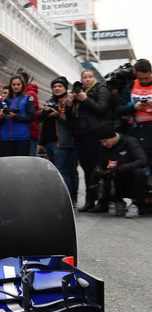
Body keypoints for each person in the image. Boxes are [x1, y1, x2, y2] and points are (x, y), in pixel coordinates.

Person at [65, 69, 111, 212]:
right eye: (84, 77)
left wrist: (85, 99)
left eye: (90, 77)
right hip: (79, 134)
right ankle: (90, 200)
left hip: (94, 134)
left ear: (94, 78)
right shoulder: (77, 93)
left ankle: (102, 201)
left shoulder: (100, 90)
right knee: (86, 168)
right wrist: (69, 105)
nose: (87, 79)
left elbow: (102, 109)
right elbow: (69, 117)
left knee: (96, 167)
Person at [91, 123, 148, 218]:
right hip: (115, 176)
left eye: (106, 141)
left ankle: (135, 204)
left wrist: (122, 168)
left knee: (139, 172)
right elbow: (101, 162)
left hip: (130, 175)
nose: (104, 144)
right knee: (102, 175)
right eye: (101, 142)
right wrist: (98, 169)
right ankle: (117, 201)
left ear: (113, 136)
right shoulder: (104, 147)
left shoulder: (129, 142)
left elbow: (142, 160)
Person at [38, 76, 75, 204]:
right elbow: (39, 117)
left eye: (60, 86)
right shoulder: (49, 100)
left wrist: (57, 114)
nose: (57, 88)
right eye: (55, 86)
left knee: (63, 171)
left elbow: (70, 120)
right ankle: (59, 198)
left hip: (62, 142)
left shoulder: (68, 101)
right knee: (55, 173)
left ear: (65, 88)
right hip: (49, 142)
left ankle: (67, 200)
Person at [116, 58, 152, 165]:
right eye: (141, 78)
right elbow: (119, 110)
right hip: (136, 134)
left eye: (147, 78)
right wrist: (134, 108)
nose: (144, 81)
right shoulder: (130, 87)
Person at [0, 74, 34, 156]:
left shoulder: (28, 98)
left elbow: (31, 117)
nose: (16, 87)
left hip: (22, 137)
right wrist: (1, 116)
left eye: (18, 84)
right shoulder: (4, 100)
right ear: (10, 85)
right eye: (13, 84)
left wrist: (15, 116)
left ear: (22, 85)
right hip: (6, 137)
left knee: (21, 164)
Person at [19, 71, 41, 156]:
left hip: (29, 133)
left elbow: (28, 113)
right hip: (22, 133)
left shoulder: (30, 94)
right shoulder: (20, 94)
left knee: (29, 161)